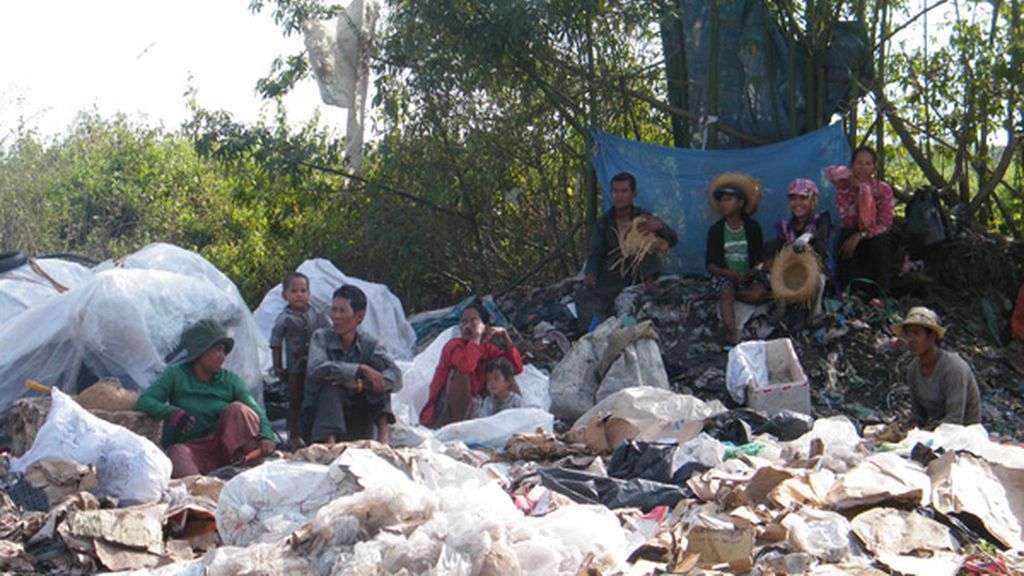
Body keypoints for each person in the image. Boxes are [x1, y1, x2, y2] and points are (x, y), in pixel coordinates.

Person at [136, 319, 276, 478]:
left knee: (238, 410)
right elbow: (145, 401)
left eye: (223, 351)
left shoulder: (230, 380)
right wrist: (172, 413)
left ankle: (252, 471)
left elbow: (255, 411)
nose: (222, 356)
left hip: (229, 449)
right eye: (217, 350)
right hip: (195, 449)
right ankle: (201, 489)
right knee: (177, 454)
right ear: (200, 351)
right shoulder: (176, 374)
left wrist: (266, 437)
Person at [576, 172, 678, 332]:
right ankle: (594, 332)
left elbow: (672, 240)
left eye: (624, 191)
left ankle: (649, 284)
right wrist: (591, 274)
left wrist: (659, 227)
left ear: (633, 194)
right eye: (616, 191)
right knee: (584, 296)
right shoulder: (604, 223)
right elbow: (594, 253)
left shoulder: (643, 218)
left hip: (641, 274)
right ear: (610, 194)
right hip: (613, 276)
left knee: (644, 246)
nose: (619, 196)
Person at [304, 285, 402, 444]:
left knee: (379, 378)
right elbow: (316, 368)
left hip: (357, 422)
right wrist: (360, 368)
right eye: (334, 310)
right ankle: (330, 444)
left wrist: (360, 385)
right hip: (320, 423)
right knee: (331, 382)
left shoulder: (370, 343)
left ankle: (383, 440)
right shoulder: (321, 337)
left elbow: (396, 377)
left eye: (342, 311)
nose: (335, 316)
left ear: (359, 316)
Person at [419, 301, 524, 428]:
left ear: (485, 326)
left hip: (476, 406)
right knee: (460, 372)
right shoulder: (453, 346)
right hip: (444, 413)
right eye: (463, 322)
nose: (467, 326)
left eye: (473, 321)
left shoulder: (487, 348)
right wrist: (476, 336)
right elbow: (466, 366)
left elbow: (515, 369)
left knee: (504, 372)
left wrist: (504, 335)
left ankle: (519, 419)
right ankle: (456, 428)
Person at [893, 306, 981, 429]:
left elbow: (955, 419)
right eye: (908, 334)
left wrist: (927, 431)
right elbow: (918, 415)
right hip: (935, 430)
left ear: (932, 336)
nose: (911, 339)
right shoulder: (913, 369)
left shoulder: (954, 368)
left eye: (916, 333)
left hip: (963, 433)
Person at [705, 173, 768, 345]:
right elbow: (710, 265)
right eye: (722, 200)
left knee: (759, 294)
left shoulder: (753, 228)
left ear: (740, 203)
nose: (724, 203)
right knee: (726, 291)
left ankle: (734, 296)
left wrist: (751, 272)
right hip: (726, 276)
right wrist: (727, 272)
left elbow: (758, 260)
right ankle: (731, 332)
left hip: (748, 276)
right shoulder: (716, 230)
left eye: (728, 199)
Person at [269, 272, 329, 449]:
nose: (299, 295)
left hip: (315, 365)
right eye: (294, 291)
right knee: (294, 400)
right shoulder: (285, 318)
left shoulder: (315, 314)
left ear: (309, 293)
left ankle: (313, 433)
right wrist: (278, 366)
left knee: (313, 398)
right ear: (285, 295)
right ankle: (294, 435)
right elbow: (276, 343)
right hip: (294, 367)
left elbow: (327, 332)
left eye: (303, 291)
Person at [827, 146, 894, 297]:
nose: (863, 168)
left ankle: (881, 295)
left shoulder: (883, 189)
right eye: (859, 163)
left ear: (874, 167)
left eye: (867, 164)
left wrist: (861, 235)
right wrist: (857, 188)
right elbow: (830, 173)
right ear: (852, 165)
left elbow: (885, 223)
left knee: (880, 240)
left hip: (873, 235)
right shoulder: (844, 186)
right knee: (846, 237)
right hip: (851, 232)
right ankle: (847, 291)